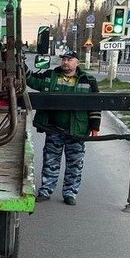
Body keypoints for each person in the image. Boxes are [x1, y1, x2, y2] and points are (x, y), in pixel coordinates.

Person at [27, 51, 100, 206]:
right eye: (64, 59)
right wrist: (18, 65)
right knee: (50, 161)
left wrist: (95, 127)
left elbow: (95, 106)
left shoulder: (88, 80)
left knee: (75, 164)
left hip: (77, 131)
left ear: (77, 63)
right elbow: (31, 79)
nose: (65, 62)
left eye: (69, 59)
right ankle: (46, 190)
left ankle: (70, 193)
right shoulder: (50, 76)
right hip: (55, 128)